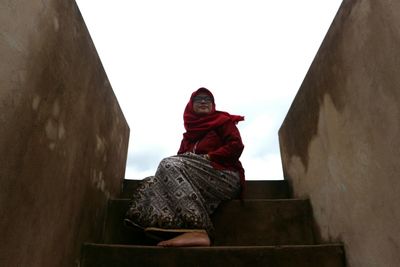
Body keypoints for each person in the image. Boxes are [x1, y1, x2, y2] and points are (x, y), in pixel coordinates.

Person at [124, 87, 245, 247]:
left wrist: (209, 157)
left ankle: (198, 230)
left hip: (224, 176)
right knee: (150, 182)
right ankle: (155, 227)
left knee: (168, 164)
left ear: (213, 105)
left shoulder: (223, 122)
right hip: (198, 183)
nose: (203, 101)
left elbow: (236, 146)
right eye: (198, 99)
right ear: (191, 105)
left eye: (207, 99)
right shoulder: (188, 137)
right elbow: (178, 167)